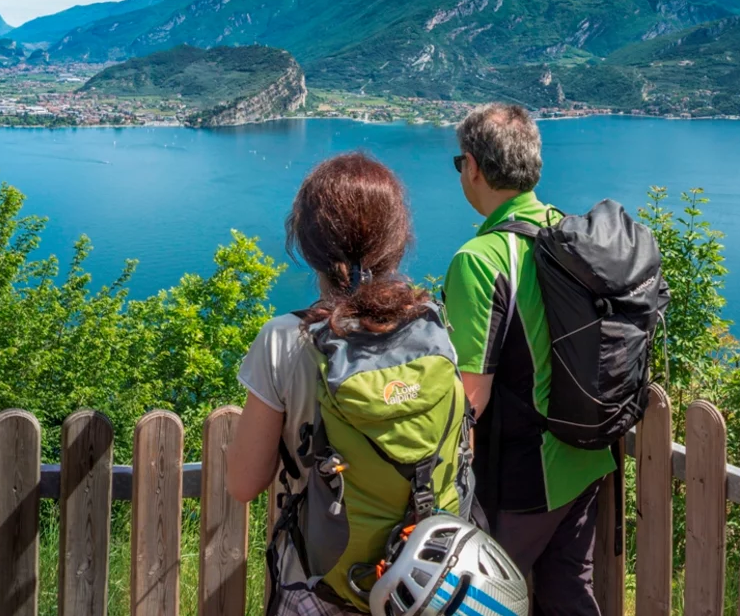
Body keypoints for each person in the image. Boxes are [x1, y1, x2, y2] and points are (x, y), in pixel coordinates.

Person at [227, 152, 470, 616]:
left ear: (308, 243)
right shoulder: (435, 334)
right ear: (397, 241)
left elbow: (242, 483)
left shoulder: (284, 340)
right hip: (422, 586)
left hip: (321, 584)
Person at [442, 103, 615, 616]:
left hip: (523, 477)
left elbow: (470, 397)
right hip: (585, 456)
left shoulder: (480, 261)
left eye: (459, 164)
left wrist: (449, 495)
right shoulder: (569, 232)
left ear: (473, 166)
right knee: (567, 592)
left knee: (481, 604)